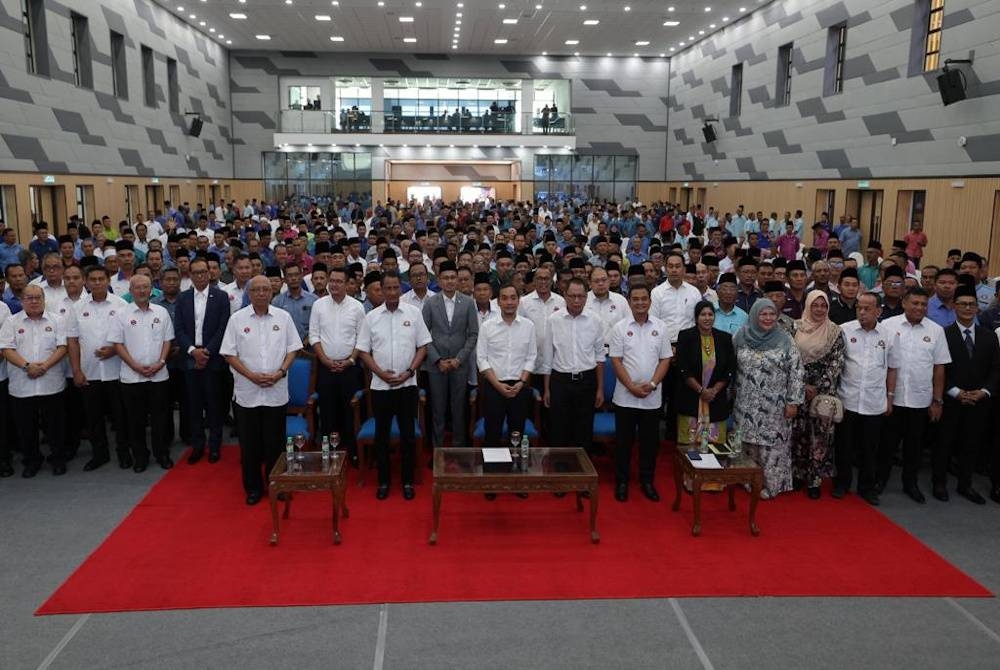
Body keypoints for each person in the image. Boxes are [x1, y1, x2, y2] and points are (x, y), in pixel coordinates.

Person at [220, 275, 302, 505]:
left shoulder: (283, 318)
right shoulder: (237, 319)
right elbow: (229, 353)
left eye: (266, 289)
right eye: (257, 290)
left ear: (272, 292)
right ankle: (253, 488)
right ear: (249, 293)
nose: (262, 293)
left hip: (276, 390)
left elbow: (293, 349)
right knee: (250, 444)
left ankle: (277, 484)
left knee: (275, 443)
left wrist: (281, 372)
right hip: (247, 392)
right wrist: (251, 375)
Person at [357, 271, 431, 501]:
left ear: (401, 289)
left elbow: (423, 347)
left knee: (408, 435)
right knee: (382, 436)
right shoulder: (371, 317)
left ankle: (407, 481)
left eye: (395, 288)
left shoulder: (413, 313)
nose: (391, 293)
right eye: (386, 289)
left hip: (407, 385)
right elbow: (363, 351)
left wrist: (409, 371)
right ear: (380, 289)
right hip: (381, 387)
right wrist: (379, 373)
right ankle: (384, 481)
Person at [881, 288, 950, 504]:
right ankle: (878, 481)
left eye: (923, 304)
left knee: (914, 447)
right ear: (904, 303)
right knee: (886, 445)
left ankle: (910, 483)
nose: (919, 307)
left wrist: (937, 400)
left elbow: (939, 368)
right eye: (915, 303)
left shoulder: (936, 331)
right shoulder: (888, 326)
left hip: (921, 400)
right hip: (892, 398)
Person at [733, 299, 805, 499]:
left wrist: (793, 401)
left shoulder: (785, 339)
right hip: (745, 403)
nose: (768, 318)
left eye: (772, 314)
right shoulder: (740, 335)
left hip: (775, 406)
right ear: (755, 315)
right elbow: (730, 365)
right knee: (748, 444)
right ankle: (748, 480)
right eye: (763, 314)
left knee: (771, 447)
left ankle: (771, 485)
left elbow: (797, 371)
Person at [609, 283, 673, 503]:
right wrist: (631, 386)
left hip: (652, 396)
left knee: (648, 443)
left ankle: (647, 480)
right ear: (629, 302)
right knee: (623, 443)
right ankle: (622, 481)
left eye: (643, 299)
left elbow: (666, 358)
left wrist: (653, 383)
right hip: (625, 396)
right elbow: (615, 360)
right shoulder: (619, 327)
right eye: (635, 299)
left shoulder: (661, 327)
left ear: (650, 301)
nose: (640, 303)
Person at [938, 285, 1000, 504]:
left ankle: (965, 485)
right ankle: (939, 483)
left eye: (971, 304)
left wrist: (984, 392)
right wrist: (955, 392)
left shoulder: (989, 336)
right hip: (951, 399)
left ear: (977, 308)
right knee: (945, 443)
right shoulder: (943, 334)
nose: (967, 308)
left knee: (971, 445)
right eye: (962, 304)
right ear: (954, 306)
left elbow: (996, 369)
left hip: (979, 401)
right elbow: (939, 369)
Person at [66, 265, 130, 471]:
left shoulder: (121, 305)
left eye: (101, 279)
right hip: (89, 372)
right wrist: (76, 370)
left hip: (117, 370)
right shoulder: (77, 308)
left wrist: (114, 350)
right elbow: (73, 341)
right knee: (93, 418)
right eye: (92, 279)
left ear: (108, 281)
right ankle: (99, 454)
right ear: (86, 282)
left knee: (121, 417)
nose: (97, 282)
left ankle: (124, 453)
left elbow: (130, 336)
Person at [834, 292, 895, 505]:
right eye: (859, 307)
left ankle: (867, 487)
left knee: (869, 448)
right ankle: (842, 482)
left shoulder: (888, 335)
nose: (862, 312)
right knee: (844, 445)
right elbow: (836, 365)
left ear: (879, 310)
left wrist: (890, 397)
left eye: (867, 308)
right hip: (847, 398)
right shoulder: (844, 330)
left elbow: (892, 369)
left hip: (874, 401)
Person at [0, 284, 68, 477]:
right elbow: (6, 349)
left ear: (44, 299)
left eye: (38, 297)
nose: (34, 301)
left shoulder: (57, 320)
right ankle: (32, 461)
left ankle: (58, 459)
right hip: (22, 385)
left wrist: (44, 366)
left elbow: (62, 347)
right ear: (22, 301)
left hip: (51, 383)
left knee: (55, 426)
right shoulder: (11, 322)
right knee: (26, 428)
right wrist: (27, 366)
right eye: (29, 298)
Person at [109, 274, 174, 473]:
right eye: (137, 287)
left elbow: (167, 340)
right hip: (131, 376)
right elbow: (117, 344)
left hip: (159, 375)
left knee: (160, 419)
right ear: (131, 290)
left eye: (146, 287)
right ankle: (140, 457)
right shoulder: (120, 314)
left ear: (151, 289)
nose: (142, 291)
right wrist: (134, 365)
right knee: (135, 420)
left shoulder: (161, 312)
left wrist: (161, 362)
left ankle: (161, 453)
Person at [175, 257, 231, 465]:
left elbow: (223, 328)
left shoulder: (222, 297)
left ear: (209, 273)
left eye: (203, 272)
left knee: (214, 406)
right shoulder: (182, 298)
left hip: (213, 358)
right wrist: (192, 351)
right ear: (190, 275)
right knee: (194, 405)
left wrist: (206, 351)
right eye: (195, 272)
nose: (199, 276)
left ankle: (215, 446)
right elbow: (179, 329)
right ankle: (197, 446)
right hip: (190, 358)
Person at [791, 290, 846, 498]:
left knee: (820, 437)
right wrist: (801, 385)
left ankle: (814, 480)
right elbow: (789, 358)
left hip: (822, 393)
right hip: (797, 389)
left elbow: (836, 363)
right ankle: (797, 474)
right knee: (798, 434)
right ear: (808, 305)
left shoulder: (835, 331)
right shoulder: (795, 327)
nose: (819, 309)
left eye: (823, 305)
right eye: (815, 305)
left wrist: (816, 387)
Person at [309, 267, 366, 466]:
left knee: (350, 412)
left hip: (350, 368)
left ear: (348, 283)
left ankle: (353, 452)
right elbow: (314, 336)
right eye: (331, 280)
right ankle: (328, 454)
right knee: (327, 412)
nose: (333, 284)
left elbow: (362, 339)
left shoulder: (357, 307)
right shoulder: (318, 305)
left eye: (338, 281)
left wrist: (350, 360)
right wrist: (324, 359)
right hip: (325, 367)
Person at [541, 278, 604, 452]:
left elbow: (599, 357)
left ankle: (583, 476)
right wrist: (547, 389)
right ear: (565, 296)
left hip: (587, 381)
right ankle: (559, 473)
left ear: (586, 297)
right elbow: (548, 357)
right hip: (560, 381)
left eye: (581, 296)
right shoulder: (554, 320)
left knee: (583, 430)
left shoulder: (595, 320)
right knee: (558, 430)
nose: (577, 300)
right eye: (572, 296)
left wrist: (600, 388)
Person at [421, 261, 478, 450]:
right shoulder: (430, 303)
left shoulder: (469, 302)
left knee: (458, 409)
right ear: (439, 280)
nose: (450, 281)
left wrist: (459, 359)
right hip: (436, 365)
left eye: (453, 277)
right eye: (445, 278)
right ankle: (438, 450)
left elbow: (473, 334)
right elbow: (422, 335)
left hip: (459, 364)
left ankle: (458, 449)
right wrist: (437, 359)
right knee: (437, 409)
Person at [476, 283, 536, 449]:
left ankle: (516, 471)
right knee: (492, 433)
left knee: (517, 433)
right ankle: (493, 472)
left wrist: (522, 382)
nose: (509, 302)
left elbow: (531, 357)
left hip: (519, 387)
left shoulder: (528, 326)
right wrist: (497, 385)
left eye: (513, 298)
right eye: (504, 298)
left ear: (519, 300)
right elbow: (481, 359)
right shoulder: (487, 327)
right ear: (498, 302)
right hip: (494, 386)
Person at [676, 300, 736, 448]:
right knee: (689, 451)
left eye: (710, 314)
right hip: (691, 399)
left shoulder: (725, 338)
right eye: (703, 314)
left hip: (716, 400)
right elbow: (683, 369)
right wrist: (701, 390)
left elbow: (729, 369)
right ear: (696, 318)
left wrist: (714, 390)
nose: (707, 318)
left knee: (715, 450)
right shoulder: (685, 337)